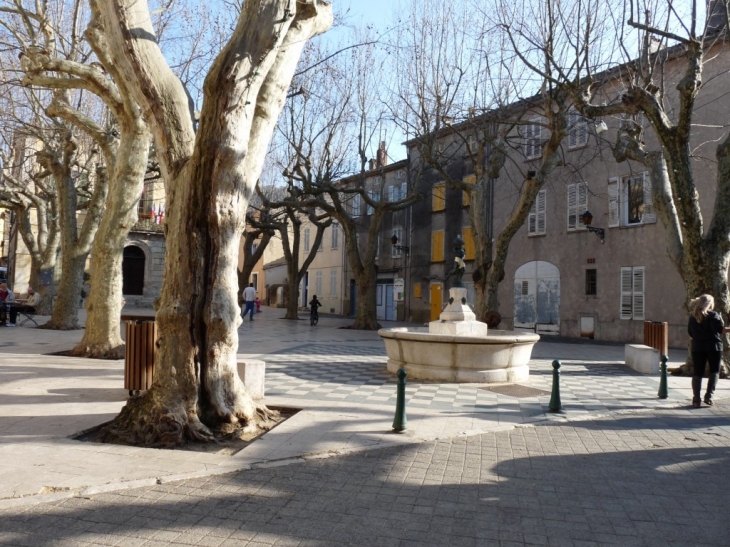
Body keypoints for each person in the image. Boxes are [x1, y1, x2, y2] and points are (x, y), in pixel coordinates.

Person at [687, 294, 730, 407]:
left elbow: (690, 332)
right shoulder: (713, 315)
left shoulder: (693, 317)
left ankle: (696, 399)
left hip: (697, 347)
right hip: (713, 347)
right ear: (710, 303)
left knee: (698, 373)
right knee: (714, 372)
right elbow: (719, 330)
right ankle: (709, 396)